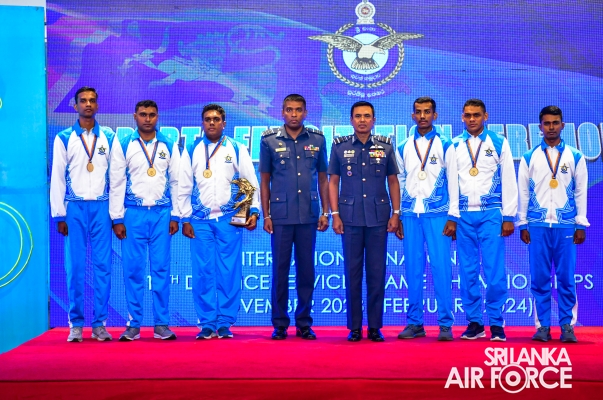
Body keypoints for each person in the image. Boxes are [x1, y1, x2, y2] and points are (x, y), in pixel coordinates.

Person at [179, 104, 260, 339]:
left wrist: (253, 211)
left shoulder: (236, 148)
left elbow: (249, 181)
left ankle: (225, 322)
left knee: (229, 271)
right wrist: (184, 218)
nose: (212, 123)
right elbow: (184, 185)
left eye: (216, 119)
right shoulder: (192, 149)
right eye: (207, 119)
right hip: (200, 220)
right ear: (202, 123)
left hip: (229, 218)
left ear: (224, 123)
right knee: (203, 272)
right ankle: (206, 323)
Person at [328, 101, 400, 342]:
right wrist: (335, 214)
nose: (362, 120)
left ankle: (375, 327)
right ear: (351, 120)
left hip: (378, 218)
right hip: (349, 218)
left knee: (377, 274)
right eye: (358, 116)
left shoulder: (385, 146)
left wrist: (396, 213)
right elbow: (333, 182)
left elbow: (393, 181)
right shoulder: (339, 146)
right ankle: (355, 327)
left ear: (374, 120)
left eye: (367, 116)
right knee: (353, 273)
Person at [109, 100, 180, 341]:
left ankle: (161, 324)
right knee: (133, 270)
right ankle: (133, 324)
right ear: (135, 116)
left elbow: (177, 181)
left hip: (161, 214)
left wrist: (175, 215)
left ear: (157, 116)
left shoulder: (169, 144)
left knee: (161, 269)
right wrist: (117, 218)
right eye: (143, 114)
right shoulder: (124, 144)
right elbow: (116, 182)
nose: (147, 119)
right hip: (133, 214)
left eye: (151, 114)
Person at [260, 94, 329, 340]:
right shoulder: (269, 140)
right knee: (280, 271)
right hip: (280, 216)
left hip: (308, 215)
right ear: (282, 112)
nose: (294, 114)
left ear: (305, 113)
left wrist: (325, 211)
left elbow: (323, 179)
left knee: (306, 271)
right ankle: (280, 324)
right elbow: (265, 180)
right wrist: (266, 214)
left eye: (298, 110)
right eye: (289, 110)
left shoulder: (317, 139)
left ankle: (304, 323)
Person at [517, 105, 589, 343]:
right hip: (537, 225)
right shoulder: (529, 157)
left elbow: (581, 192)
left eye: (555, 123)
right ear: (540, 127)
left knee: (566, 278)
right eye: (546, 123)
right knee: (539, 279)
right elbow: (523, 192)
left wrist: (580, 223)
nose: (551, 127)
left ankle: (567, 325)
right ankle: (543, 326)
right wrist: (523, 223)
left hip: (565, 225)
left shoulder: (575, 156)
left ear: (562, 125)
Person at [50, 86, 115, 342]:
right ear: (75, 105)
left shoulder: (108, 137)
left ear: (97, 105)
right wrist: (60, 214)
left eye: (92, 100)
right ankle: (76, 324)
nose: (88, 104)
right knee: (75, 267)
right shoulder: (64, 138)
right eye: (83, 101)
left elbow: (117, 177)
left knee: (103, 267)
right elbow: (57, 177)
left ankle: (99, 324)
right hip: (74, 208)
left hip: (101, 207)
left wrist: (116, 214)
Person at [453, 99, 517, 341]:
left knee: (494, 271)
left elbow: (509, 178)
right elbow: (450, 182)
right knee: (467, 271)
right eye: (468, 115)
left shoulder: (499, 142)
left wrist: (508, 215)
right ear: (462, 117)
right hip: (463, 216)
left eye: (476, 115)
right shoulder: (454, 145)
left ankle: (496, 322)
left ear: (485, 116)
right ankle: (474, 322)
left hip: (491, 214)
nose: (472, 119)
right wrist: (452, 215)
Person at [395, 96, 458, 341]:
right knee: (412, 269)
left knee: (441, 269)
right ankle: (415, 323)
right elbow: (399, 181)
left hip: (439, 214)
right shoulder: (403, 146)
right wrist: (398, 214)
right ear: (413, 115)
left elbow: (454, 181)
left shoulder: (446, 144)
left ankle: (445, 324)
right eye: (418, 112)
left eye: (427, 112)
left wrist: (453, 216)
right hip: (411, 215)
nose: (422, 116)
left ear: (435, 115)